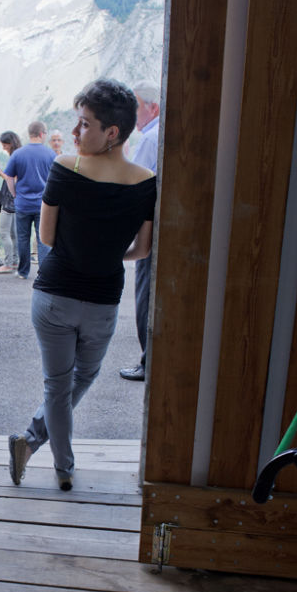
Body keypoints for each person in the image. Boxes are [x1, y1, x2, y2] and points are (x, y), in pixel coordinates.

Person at [8, 80, 156, 490]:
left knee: (57, 388)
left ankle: (51, 459)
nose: (75, 133)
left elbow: (50, 238)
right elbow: (142, 250)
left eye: (84, 124)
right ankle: (49, 455)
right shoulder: (147, 182)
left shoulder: (65, 167)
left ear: (112, 132)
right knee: (79, 381)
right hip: (103, 301)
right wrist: (109, 256)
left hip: (54, 296)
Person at [119, 81, 160, 382]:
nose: (132, 114)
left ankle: (148, 362)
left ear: (152, 107)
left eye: (136, 107)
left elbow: (136, 189)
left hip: (151, 229)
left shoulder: (149, 139)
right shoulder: (162, 134)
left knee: (145, 295)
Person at [3, 121, 56, 279]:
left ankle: (23, 271)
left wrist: (15, 194)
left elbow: (8, 177)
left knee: (23, 239)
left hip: (23, 204)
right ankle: (44, 273)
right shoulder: (50, 154)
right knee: (43, 239)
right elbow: (56, 179)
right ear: (41, 134)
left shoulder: (18, 154)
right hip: (43, 205)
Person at [0, 130, 21, 274]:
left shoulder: (15, 157)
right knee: (14, 233)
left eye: (4, 145)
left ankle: (8, 263)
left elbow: (12, 179)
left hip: (9, 199)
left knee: (4, 232)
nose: (3, 148)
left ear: (10, 144)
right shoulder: (20, 155)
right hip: (16, 199)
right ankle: (15, 261)